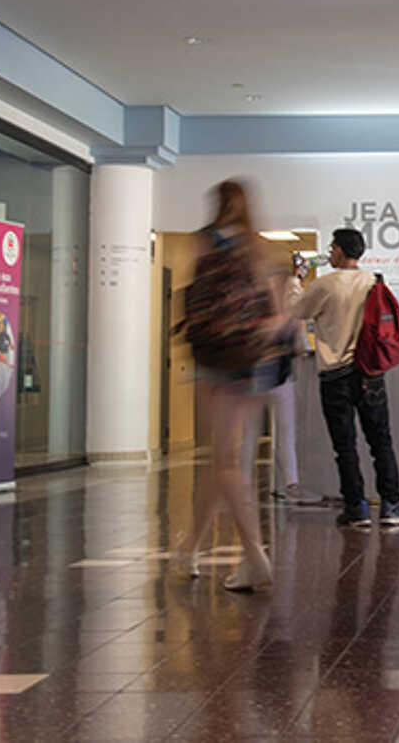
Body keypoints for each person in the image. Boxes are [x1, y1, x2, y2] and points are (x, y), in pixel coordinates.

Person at [173, 180, 285, 592]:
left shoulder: (204, 240)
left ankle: (254, 554)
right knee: (222, 461)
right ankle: (191, 549)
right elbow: (278, 315)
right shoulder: (258, 248)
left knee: (222, 461)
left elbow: (194, 298)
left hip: (213, 362)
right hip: (251, 361)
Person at [296, 228, 399, 528]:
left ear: (340, 250)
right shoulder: (372, 281)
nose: (330, 252)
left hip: (335, 375)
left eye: (332, 247)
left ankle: (356, 508)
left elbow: (297, 310)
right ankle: (391, 506)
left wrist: (296, 279)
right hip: (370, 372)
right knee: (381, 442)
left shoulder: (325, 285)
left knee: (344, 446)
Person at [268, 254, 315, 503]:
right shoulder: (288, 314)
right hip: (279, 376)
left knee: (281, 431)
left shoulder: (260, 314)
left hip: (272, 377)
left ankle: (289, 483)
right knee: (286, 431)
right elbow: (299, 344)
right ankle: (290, 484)